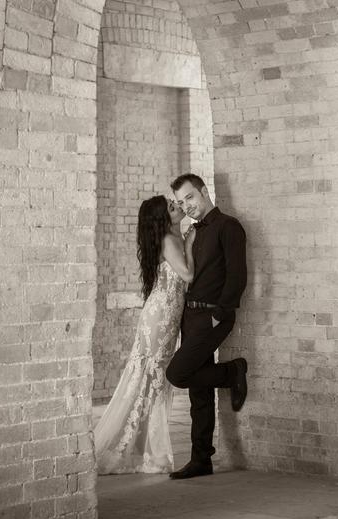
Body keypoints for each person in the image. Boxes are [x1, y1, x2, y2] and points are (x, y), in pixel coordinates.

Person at [94, 194, 194, 474]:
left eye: (175, 203)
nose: (178, 207)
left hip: (164, 317)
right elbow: (188, 275)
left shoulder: (172, 238)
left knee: (153, 383)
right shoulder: (170, 240)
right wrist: (191, 243)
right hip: (160, 318)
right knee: (151, 381)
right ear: (162, 218)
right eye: (172, 207)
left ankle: (144, 448)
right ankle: (149, 451)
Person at [166, 173, 248, 480]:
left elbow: (237, 275)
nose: (186, 205)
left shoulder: (229, 226)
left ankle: (232, 371)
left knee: (177, 374)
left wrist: (220, 313)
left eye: (190, 197)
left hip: (213, 316)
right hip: (191, 316)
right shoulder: (192, 232)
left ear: (204, 191)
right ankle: (201, 459)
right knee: (198, 392)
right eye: (181, 201)